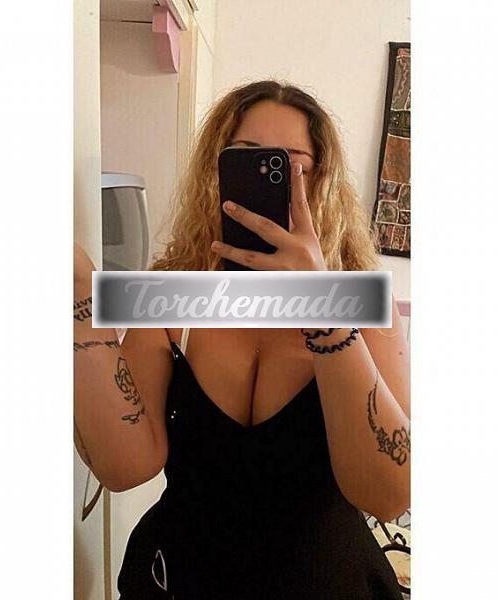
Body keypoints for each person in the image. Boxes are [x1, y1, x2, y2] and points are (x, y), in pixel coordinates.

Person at [74, 80, 410, 599]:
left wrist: (320, 305)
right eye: (245, 158)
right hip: (177, 580)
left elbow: (389, 496)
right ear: (217, 171)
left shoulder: (363, 303)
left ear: (321, 179)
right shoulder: (172, 294)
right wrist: (80, 299)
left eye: (292, 165)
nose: (271, 179)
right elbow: (125, 467)